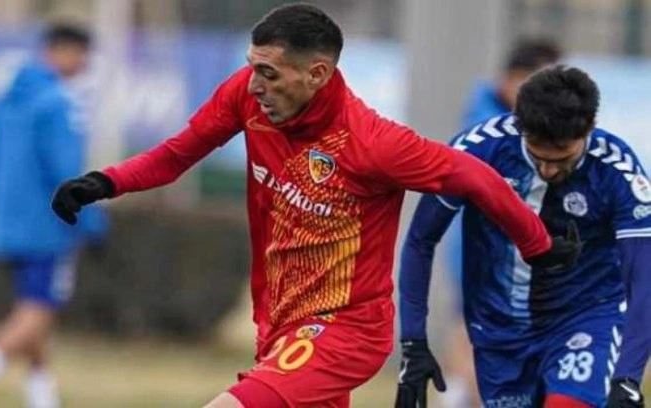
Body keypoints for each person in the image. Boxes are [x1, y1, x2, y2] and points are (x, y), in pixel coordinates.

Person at [52, 4, 578, 408]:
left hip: (346, 330)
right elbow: (177, 154)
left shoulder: (372, 142)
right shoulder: (246, 96)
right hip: (279, 319)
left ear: (318, 74)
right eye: (252, 67)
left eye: (269, 73)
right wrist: (105, 182)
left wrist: (537, 244)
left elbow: (475, 177)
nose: (254, 84)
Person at [395, 65, 651, 408]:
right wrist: (413, 341)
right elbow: (420, 240)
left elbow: (643, 277)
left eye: (561, 158)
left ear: (589, 128)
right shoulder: (477, 151)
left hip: (584, 317)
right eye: (537, 155)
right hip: (498, 328)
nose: (548, 170)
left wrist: (628, 377)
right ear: (519, 124)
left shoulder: (618, 171)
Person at [0, 23, 107, 408]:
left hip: (5, 228)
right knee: (38, 311)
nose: (84, 64)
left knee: (33, 308)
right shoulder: (60, 104)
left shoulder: (3, 103)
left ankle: (42, 396)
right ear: (66, 51)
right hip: (49, 228)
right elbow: (68, 175)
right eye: (83, 55)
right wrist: (94, 224)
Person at [440, 37, 564, 408]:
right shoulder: (489, 127)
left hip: (511, 251)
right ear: (515, 80)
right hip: (484, 248)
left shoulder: (503, 117)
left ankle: (459, 394)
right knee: (478, 332)